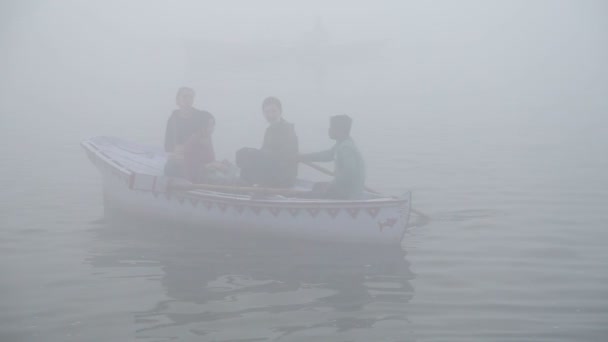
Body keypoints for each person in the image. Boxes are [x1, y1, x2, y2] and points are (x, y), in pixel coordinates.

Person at [236, 97, 299, 188]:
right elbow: (265, 151)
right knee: (244, 153)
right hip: (272, 170)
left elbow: (285, 156)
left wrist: (258, 154)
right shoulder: (270, 130)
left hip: (283, 176)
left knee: (248, 164)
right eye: (267, 112)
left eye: (273, 111)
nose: (270, 115)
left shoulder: (287, 130)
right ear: (263, 113)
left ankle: (249, 190)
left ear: (280, 111)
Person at [299, 115, 365, 199]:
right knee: (317, 186)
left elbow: (349, 172)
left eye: (331, 127)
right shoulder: (341, 143)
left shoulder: (346, 148)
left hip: (346, 194)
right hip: (344, 189)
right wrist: (303, 157)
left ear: (340, 130)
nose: (329, 130)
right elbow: (327, 155)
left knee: (303, 196)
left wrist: (331, 185)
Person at [164, 87, 214, 179]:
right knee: (169, 168)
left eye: (191, 97)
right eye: (185, 97)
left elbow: (207, 141)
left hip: (199, 161)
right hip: (181, 160)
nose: (188, 100)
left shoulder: (201, 117)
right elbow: (169, 148)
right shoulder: (173, 120)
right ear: (177, 100)